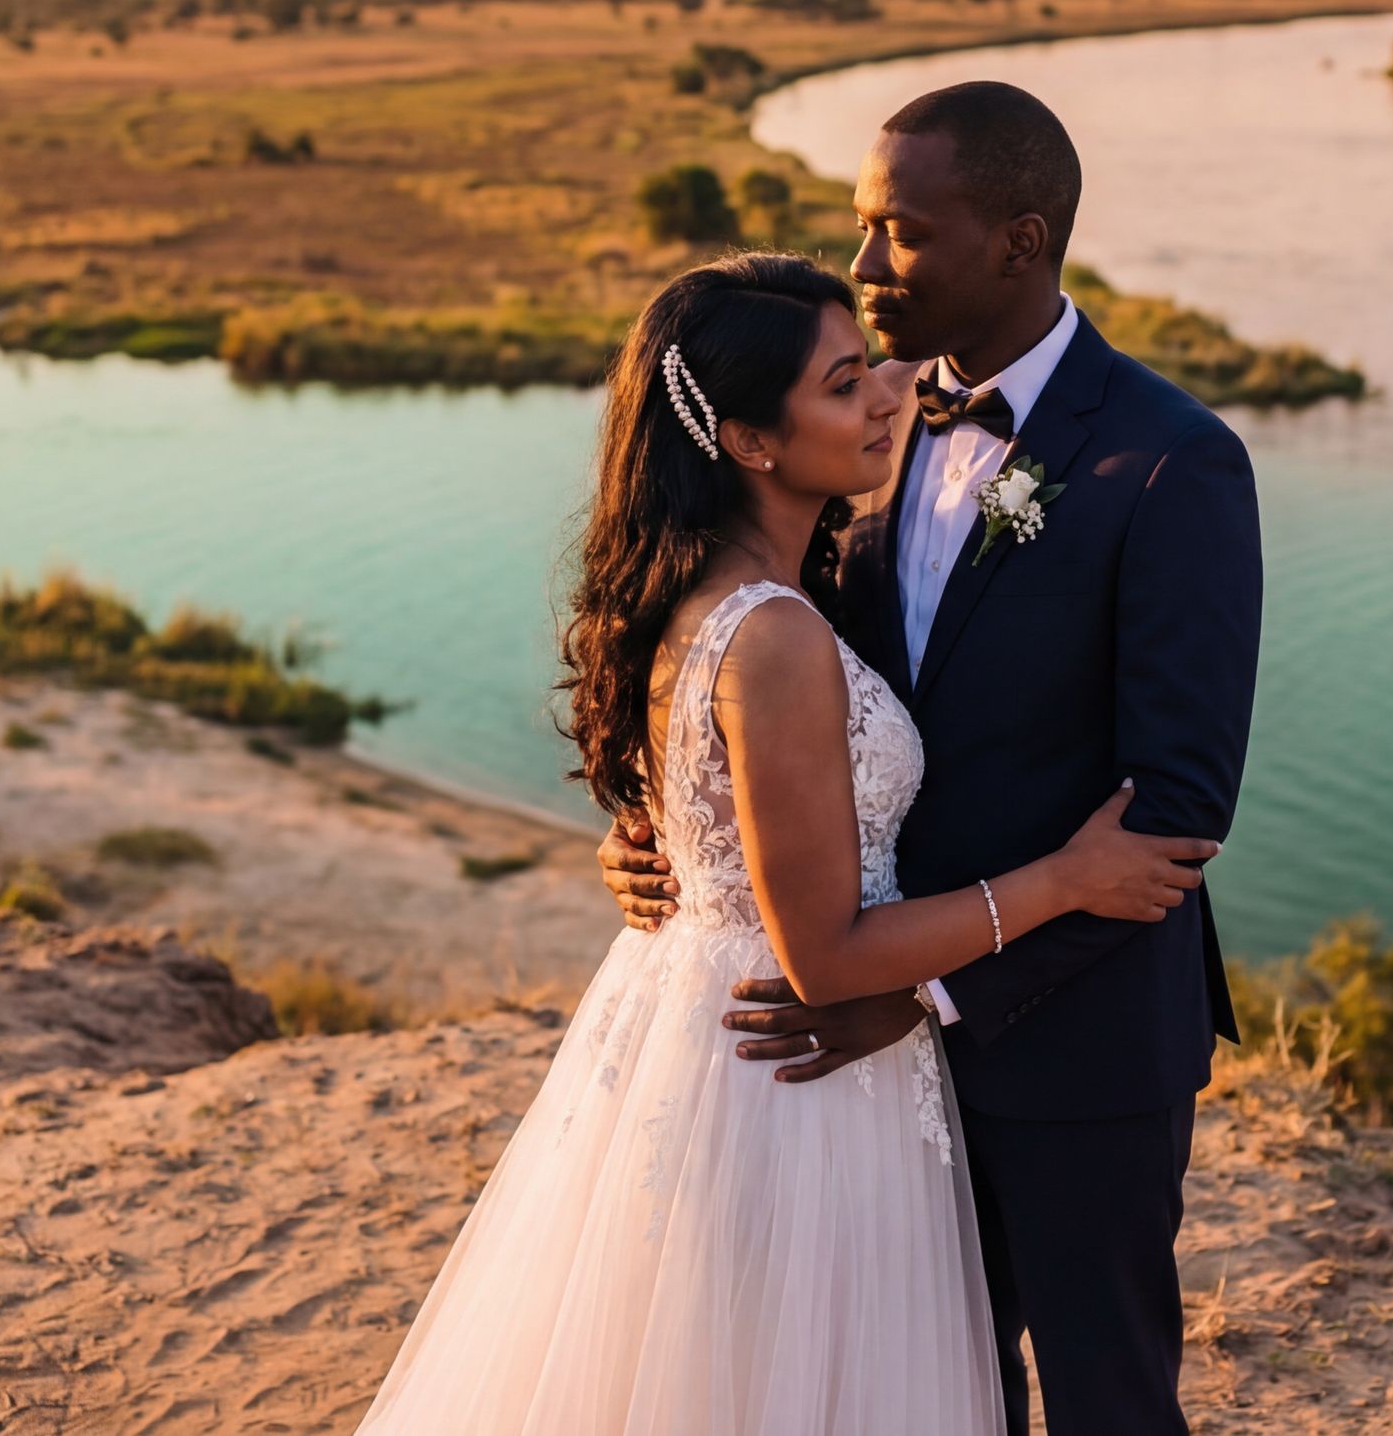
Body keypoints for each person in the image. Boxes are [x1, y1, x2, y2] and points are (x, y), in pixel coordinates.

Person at [351, 249, 1218, 1435]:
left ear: (1013, 232)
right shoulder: (773, 624)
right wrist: (1065, 879)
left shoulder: (764, 563)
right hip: (804, 1046)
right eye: (846, 379)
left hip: (873, 1037)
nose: (887, 388)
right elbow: (820, 934)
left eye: (901, 233)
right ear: (751, 440)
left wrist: (677, 844)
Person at [602, 81, 1266, 1434]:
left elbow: (1178, 815)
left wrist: (930, 996)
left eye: (897, 231)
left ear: (1018, 242)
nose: (860, 265)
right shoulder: (861, 425)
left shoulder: (1170, 463)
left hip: (1068, 1048)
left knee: (1105, 1398)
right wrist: (669, 826)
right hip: (857, 1055)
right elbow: (778, 678)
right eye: (858, 224)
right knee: (922, 1389)